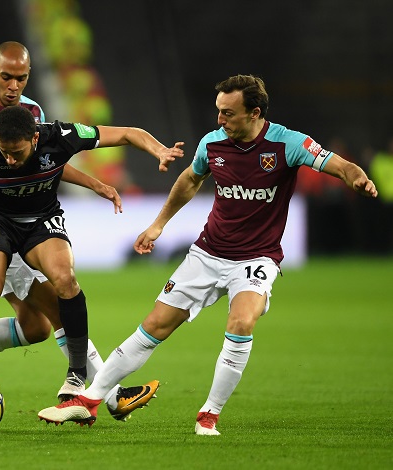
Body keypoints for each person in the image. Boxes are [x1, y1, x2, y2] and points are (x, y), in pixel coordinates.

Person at [38, 74, 379, 431]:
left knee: (242, 321)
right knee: (154, 326)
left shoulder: (287, 143)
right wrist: (158, 225)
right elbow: (189, 180)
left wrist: (357, 177)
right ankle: (90, 401)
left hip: (256, 258)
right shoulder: (213, 144)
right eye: (218, 111)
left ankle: (209, 414)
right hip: (208, 253)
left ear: (255, 113)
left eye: (228, 113)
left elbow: (339, 164)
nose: (220, 120)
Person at [0, 41, 170, 419]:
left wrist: (94, 183)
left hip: (37, 220)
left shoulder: (34, 114)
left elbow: (48, 162)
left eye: (21, 78)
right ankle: (107, 394)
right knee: (47, 306)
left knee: (36, 327)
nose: (13, 85)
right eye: (6, 77)